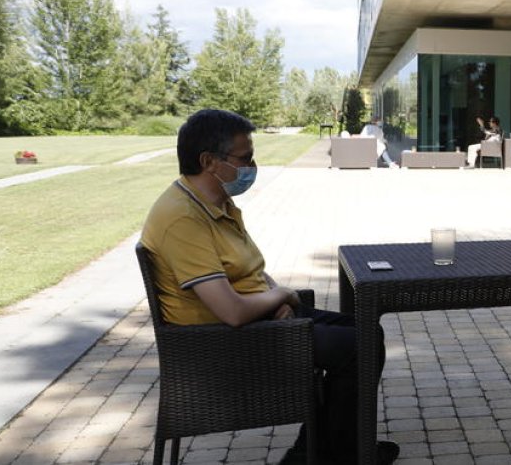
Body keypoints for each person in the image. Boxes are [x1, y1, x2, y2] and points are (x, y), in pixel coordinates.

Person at [140, 109, 399, 465]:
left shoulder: (215, 203)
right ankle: (338, 453)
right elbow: (231, 312)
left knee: (368, 333)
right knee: (359, 346)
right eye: (245, 158)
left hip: (259, 319)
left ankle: (325, 450)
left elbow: (249, 271)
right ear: (209, 162)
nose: (252, 165)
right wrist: (282, 296)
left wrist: (273, 298)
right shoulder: (183, 218)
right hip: (224, 341)